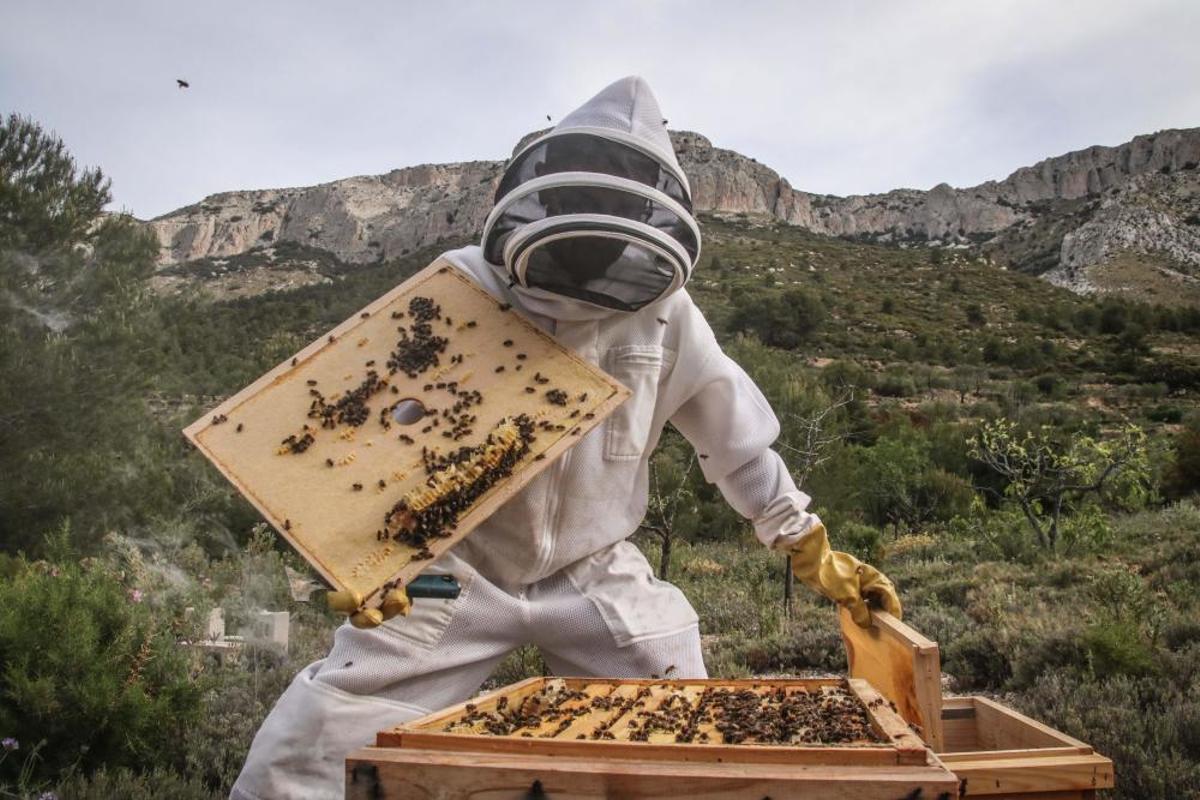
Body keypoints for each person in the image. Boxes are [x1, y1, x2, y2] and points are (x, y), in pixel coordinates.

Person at [229, 75, 901, 800]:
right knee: (314, 743)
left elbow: (733, 438)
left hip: (592, 566)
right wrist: (360, 556)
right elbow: (361, 433)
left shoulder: (669, 316)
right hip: (451, 568)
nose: (584, 279)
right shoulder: (457, 286)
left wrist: (804, 540)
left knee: (683, 703)